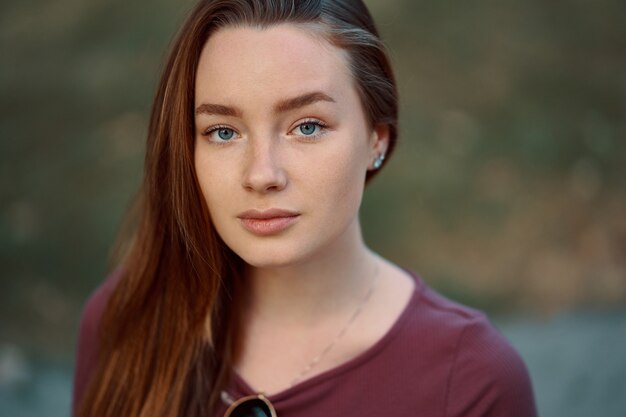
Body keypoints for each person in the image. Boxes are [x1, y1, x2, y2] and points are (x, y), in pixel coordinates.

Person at [72, 1, 538, 416]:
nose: (261, 174)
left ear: (377, 137)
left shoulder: (471, 381)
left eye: (307, 126)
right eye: (223, 131)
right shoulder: (124, 321)